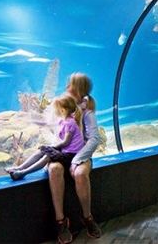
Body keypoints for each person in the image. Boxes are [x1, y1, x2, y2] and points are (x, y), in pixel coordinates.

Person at [48, 73, 102, 243]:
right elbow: (54, 130)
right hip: (62, 152)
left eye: (70, 84)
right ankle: (61, 221)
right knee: (55, 169)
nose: (67, 87)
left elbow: (94, 139)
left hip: (80, 154)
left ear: (78, 89)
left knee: (79, 174)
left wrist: (77, 159)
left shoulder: (88, 111)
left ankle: (87, 217)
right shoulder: (63, 105)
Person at [6, 94, 84, 181]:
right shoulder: (64, 119)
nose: (54, 111)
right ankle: (19, 168)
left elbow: (66, 142)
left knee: (48, 156)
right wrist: (31, 119)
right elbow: (47, 123)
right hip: (65, 150)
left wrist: (53, 147)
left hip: (72, 155)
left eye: (55, 109)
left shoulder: (70, 123)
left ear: (62, 110)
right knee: (42, 150)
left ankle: (23, 173)